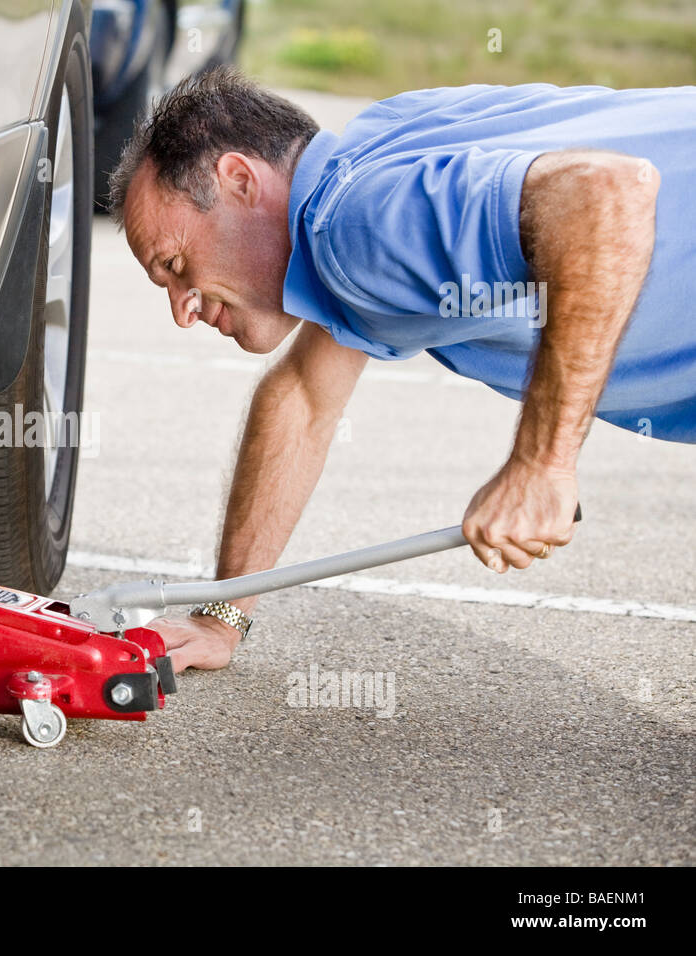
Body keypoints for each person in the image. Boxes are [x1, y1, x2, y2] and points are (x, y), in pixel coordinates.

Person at [109, 68, 694, 673]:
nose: (182, 310)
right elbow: (303, 399)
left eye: (175, 264)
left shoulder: (353, 225)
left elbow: (607, 195)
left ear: (238, 180)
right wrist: (219, 615)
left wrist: (542, 465)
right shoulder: (369, 161)